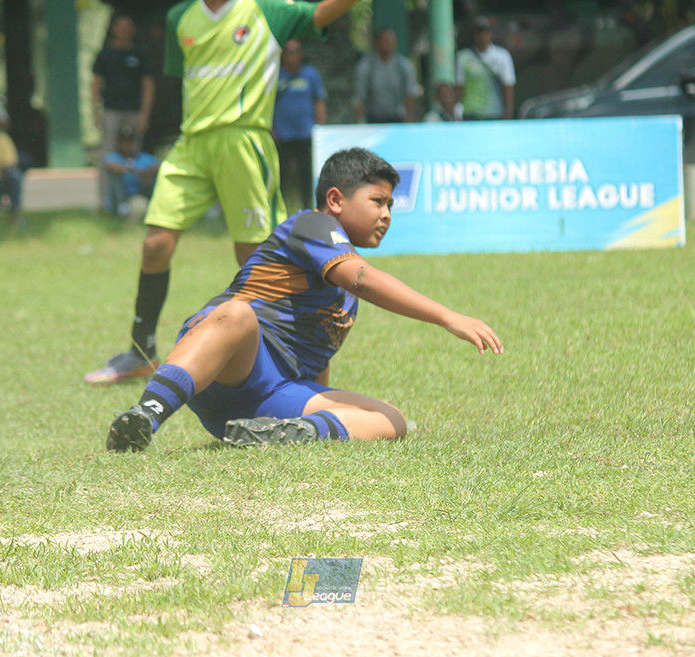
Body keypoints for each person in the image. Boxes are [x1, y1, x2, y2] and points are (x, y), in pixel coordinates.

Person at [105, 148, 503, 452]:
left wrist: (322, 411)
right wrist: (447, 316)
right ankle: (148, 415)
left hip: (267, 399)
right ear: (335, 200)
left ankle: (289, 435)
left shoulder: (345, 297)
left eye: (391, 206)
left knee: (392, 419)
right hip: (225, 363)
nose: (387, 215)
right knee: (238, 314)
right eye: (378, 201)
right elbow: (362, 278)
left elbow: (316, 364)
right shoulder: (313, 224)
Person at [84, 0, 364, 386]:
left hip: (244, 141)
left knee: (253, 257)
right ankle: (141, 351)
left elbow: (321, 14)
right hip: (192, 145)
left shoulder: (267, 11)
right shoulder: (179, 17)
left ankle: (275, 356)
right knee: (155, 244)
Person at [92, 14, 156, 208]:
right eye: (120, 26)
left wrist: (145, 114)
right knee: (108, 157)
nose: (124, 30)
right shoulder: (105, 55)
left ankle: (134, 198)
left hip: (134, 112)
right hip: (112, 111)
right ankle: (106, 202)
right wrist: (95, 111)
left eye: (128, 26)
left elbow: (147, 84)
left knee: (134, 156)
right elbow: (96, 84)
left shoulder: (139, 54)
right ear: (113, 29)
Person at [273, 39, 327, 211]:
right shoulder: (275, 75)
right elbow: (267, 104)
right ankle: (280, 210)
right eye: (289, 51)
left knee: (307, 176)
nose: (293, 55)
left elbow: (319, 100)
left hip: (306, 133)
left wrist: (320, 127)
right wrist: (270, 129)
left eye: (296, 51)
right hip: (282, 135)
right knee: (281, 177)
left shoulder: (310, 74)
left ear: (302, 54)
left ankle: (308, 208)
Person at [353, 28, 419, 124]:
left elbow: (410, 94)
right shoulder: (366, 66)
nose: (388, 44)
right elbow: (360, 96)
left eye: (391, 41)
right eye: (385, 41)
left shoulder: (404, 65)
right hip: (372, 119)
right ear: (377, 43)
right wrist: (358, 121)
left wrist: (408, 120)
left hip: (398, 119)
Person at [456, 17, 516, 121]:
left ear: (491, 34)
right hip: (470, 113)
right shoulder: (463, 57)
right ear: (474, 35)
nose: (483, 36)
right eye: (479, 32)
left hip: (495, 113)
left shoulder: (502, 56)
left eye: (486, 32)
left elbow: (508, 87)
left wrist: (508, 114)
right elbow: (459, 87)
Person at [103, 125, 160, 219]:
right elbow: (110, 166)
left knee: (154, 179)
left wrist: (147, 173)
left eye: (130, 142)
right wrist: (134, 172)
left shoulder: (144, 157)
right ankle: (121, 209)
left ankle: (154, 208)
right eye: (124, 142)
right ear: (119, 143)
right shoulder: (114, 157)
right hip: (122, 196)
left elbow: (160, 165)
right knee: (116, 178)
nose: (127, 145)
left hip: (140, 193)